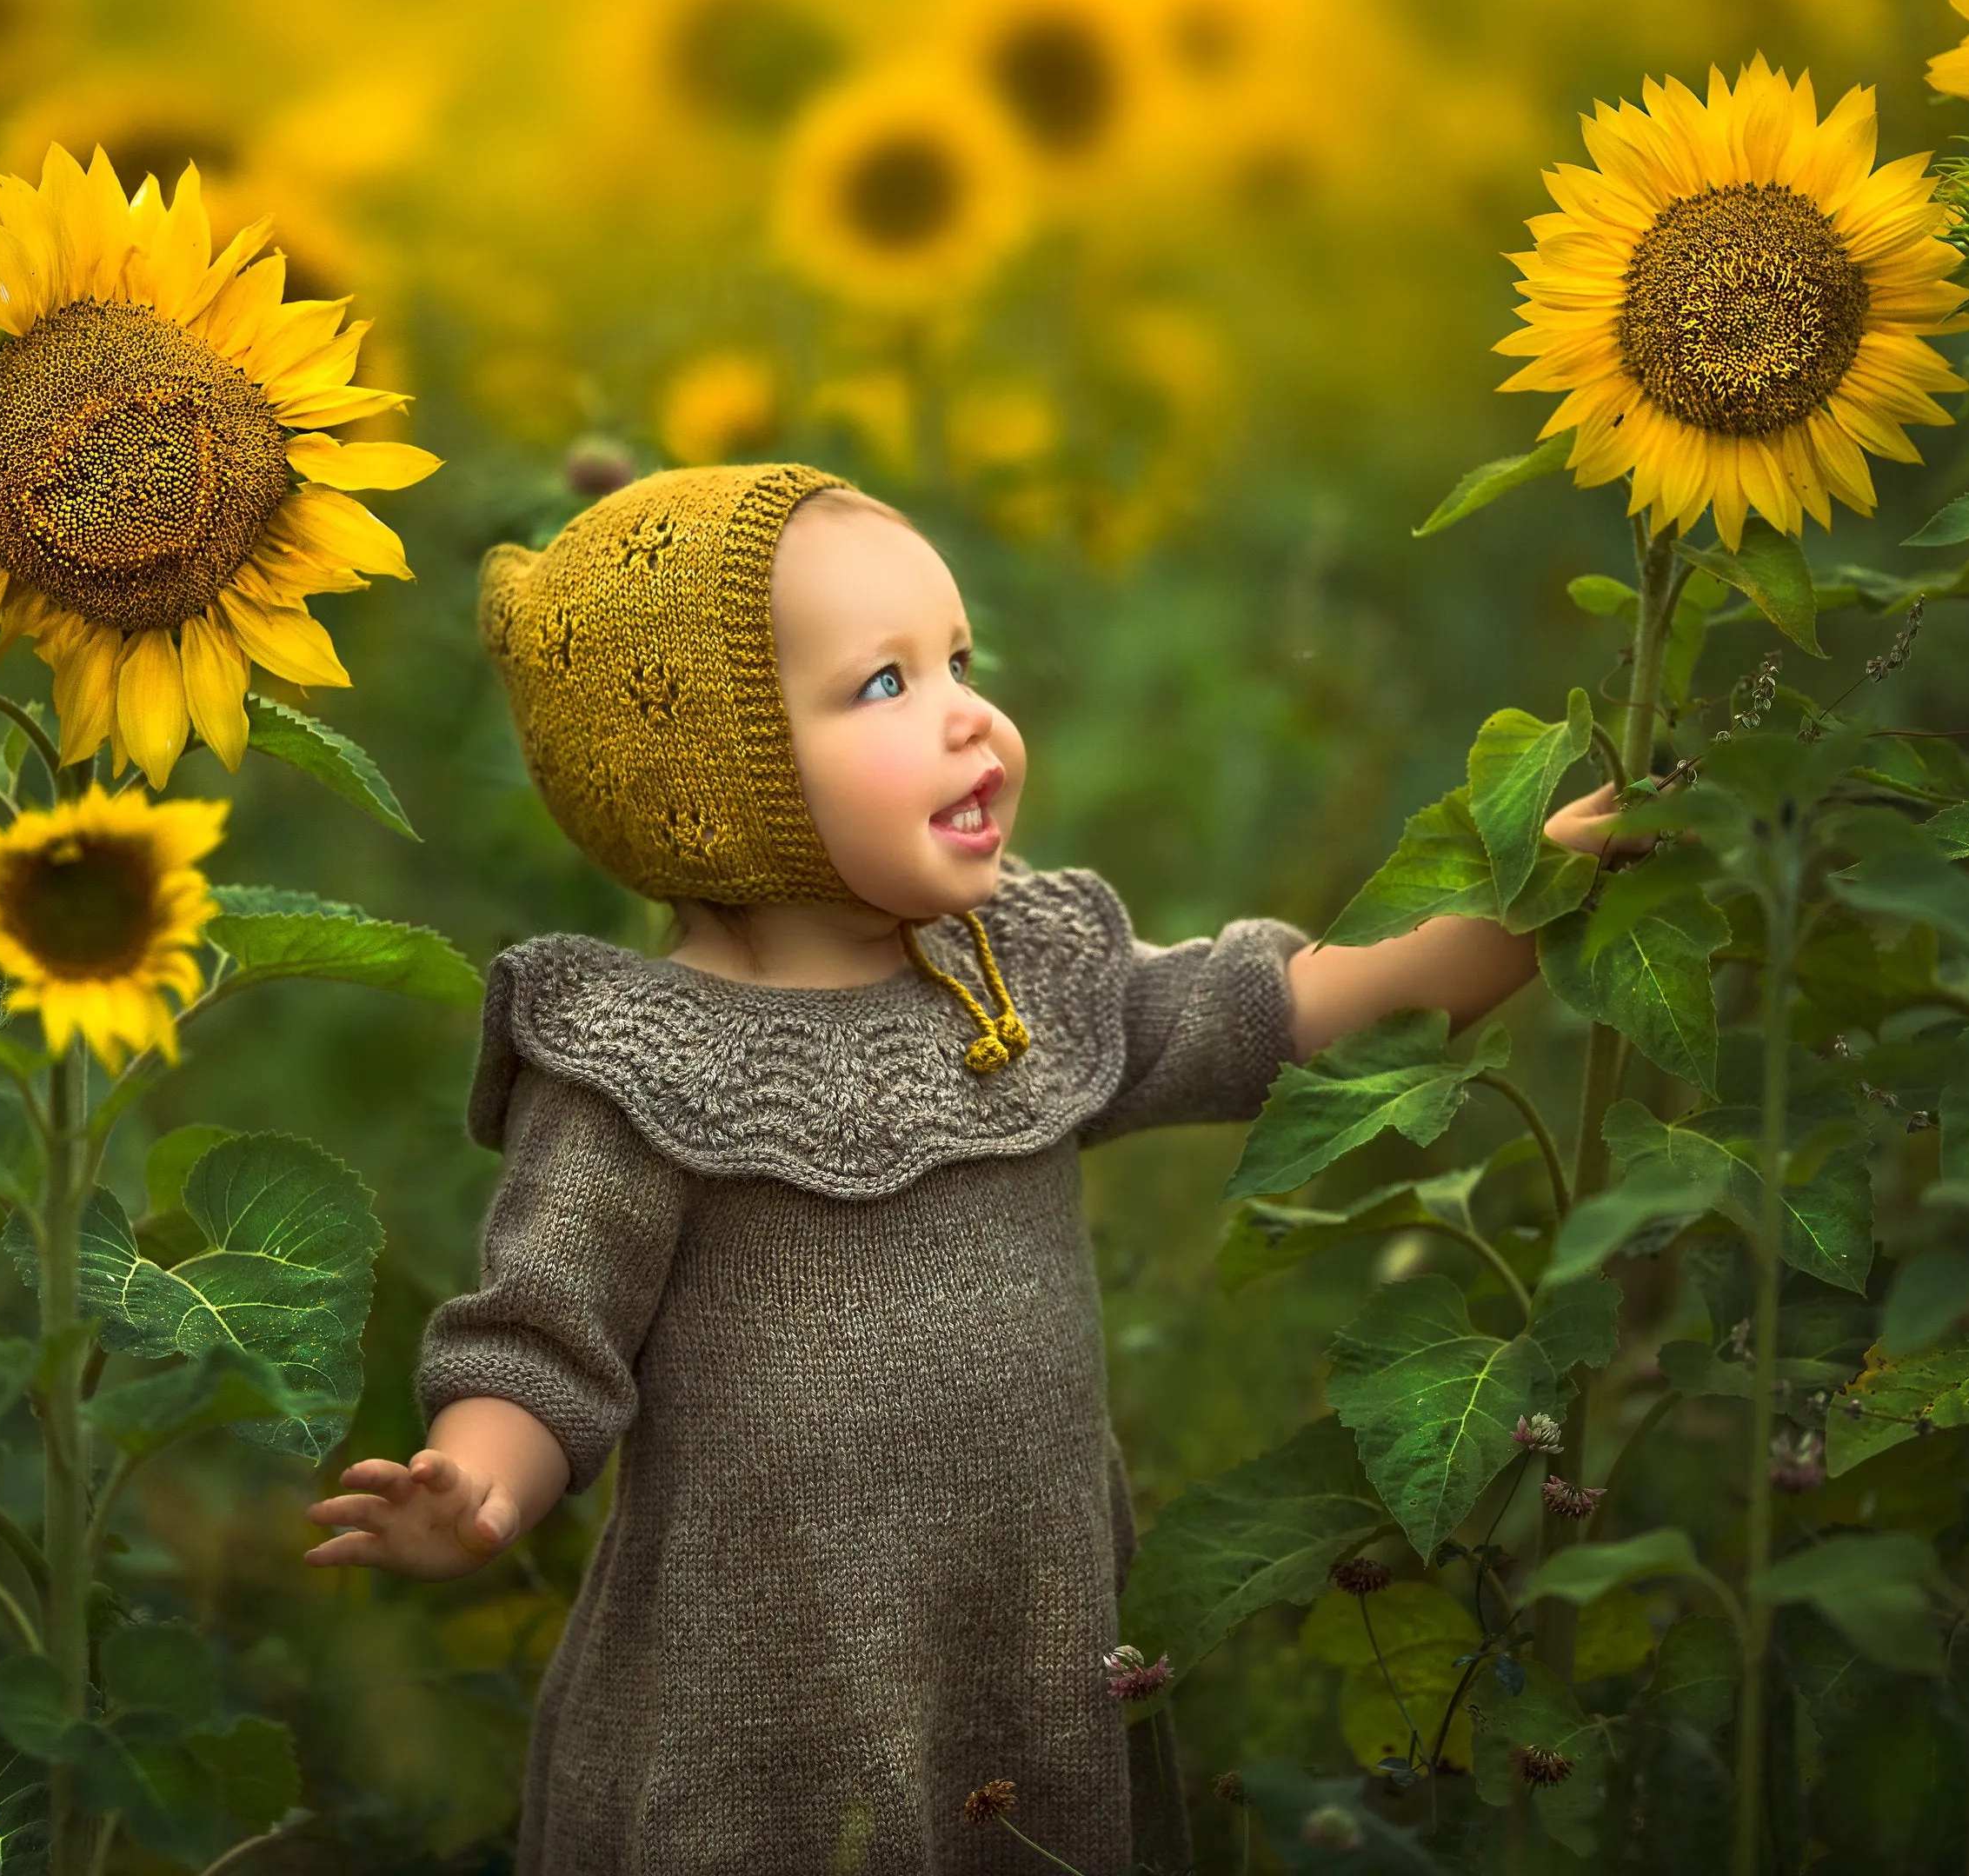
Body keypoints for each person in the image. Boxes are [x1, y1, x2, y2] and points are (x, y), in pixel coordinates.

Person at [299, 462, 1626, 1872]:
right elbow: (544, 1334)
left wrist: (1533, 898)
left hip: (1023, 1636)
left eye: (961, 660)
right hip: (767, 1681)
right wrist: (479, 1480)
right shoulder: (640, 1061)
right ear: (716, 778)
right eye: (887, 686)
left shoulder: (1019, 974)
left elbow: (1284, 1016)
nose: (972, 717)